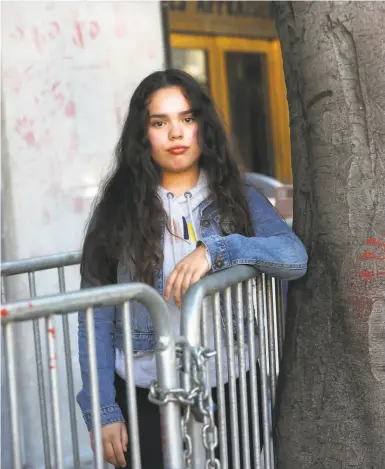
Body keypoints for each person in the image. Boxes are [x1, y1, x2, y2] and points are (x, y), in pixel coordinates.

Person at [77, 69, 308, 469]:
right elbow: (95, 313)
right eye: (159, 122)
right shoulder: (116, 210)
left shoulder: (239, 198)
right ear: (142, 134)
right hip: (142, 389)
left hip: (230, 383)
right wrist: (102, 410)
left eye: (187, 118)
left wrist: (217, 251)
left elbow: (294, 257)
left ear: (203, 126)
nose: (176, 133)